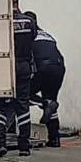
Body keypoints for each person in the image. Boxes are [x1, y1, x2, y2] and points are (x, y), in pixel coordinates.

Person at [0, 0, 37, 158]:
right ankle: (24, 146)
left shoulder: (2, 22)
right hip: (24, 66)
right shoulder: (29, 21)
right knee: (23, 106)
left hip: (5, 67)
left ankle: (0, 144)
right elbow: (33, 39)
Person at [26, 16, 66, 147]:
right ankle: (54, 139)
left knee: (23, 95)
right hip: (59, 68)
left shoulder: (27, 35)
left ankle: (44, 103)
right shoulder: (47, 35)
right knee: (52, 102)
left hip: (43, 68)